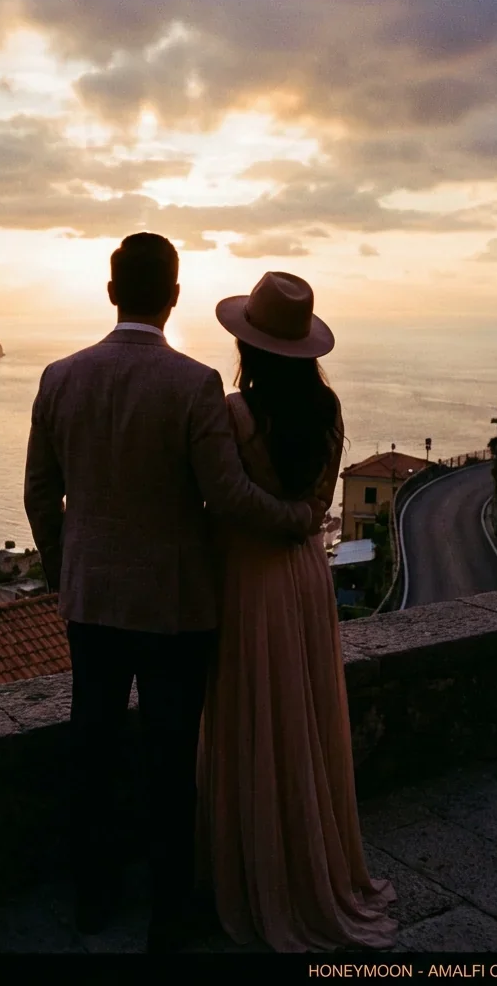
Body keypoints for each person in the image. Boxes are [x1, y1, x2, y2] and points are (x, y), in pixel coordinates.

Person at [23, 235, 329, 954]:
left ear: (110, 291)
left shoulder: (59, 376)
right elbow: (225, 496)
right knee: (170, 759)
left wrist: (65, 567)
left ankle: (93, 899)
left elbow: (41, 493)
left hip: (91, 599)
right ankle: (169, 911)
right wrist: (298, 521)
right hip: (175, 606)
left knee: (91, 747)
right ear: (174, 297)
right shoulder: (193, 386)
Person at [196, 271, 398, 952]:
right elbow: (316, 510)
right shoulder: (328, 411)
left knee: (253, 716)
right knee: (302, 715)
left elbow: (220, 501)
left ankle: (256, 876)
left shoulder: (234, 414)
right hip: (307, 576)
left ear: (246, 347)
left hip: (249, 580)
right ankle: (316, 868)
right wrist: (296, 521)